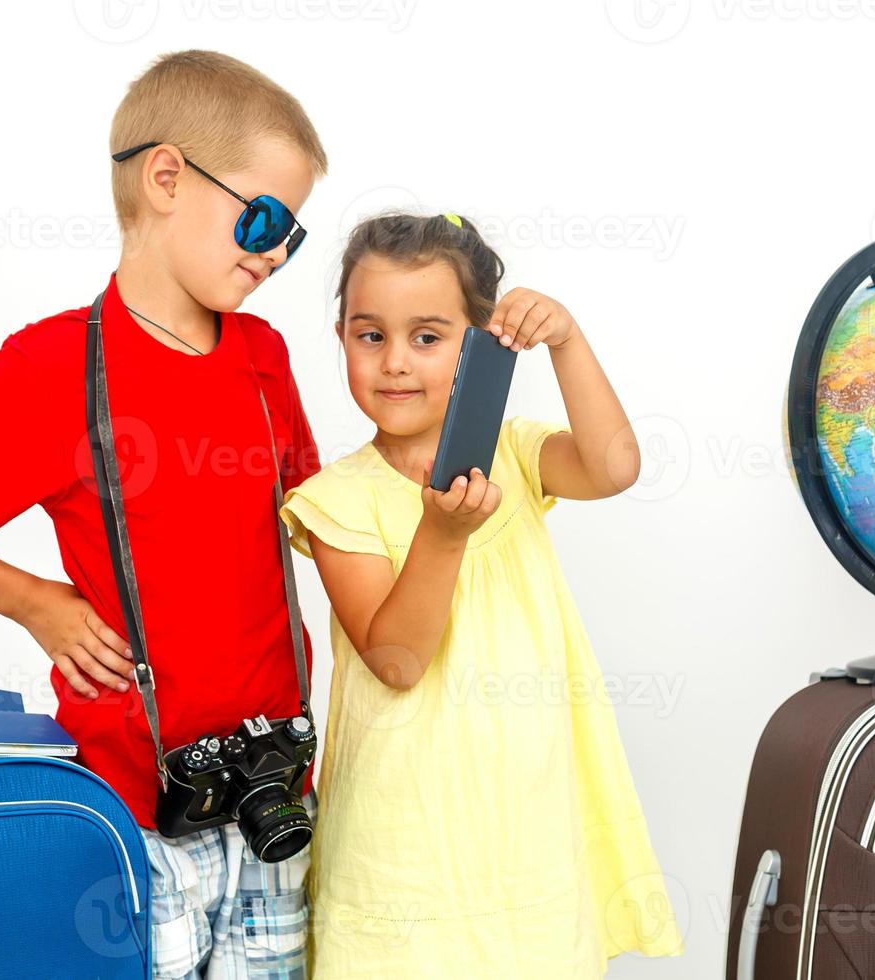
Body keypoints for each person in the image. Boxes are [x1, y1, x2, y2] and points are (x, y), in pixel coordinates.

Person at [0, 50, 327, 980]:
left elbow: (319, 526)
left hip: (274, 799)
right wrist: (30, 601)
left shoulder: (264, 356)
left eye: (292, 238)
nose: (273, 253)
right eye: (263, 219)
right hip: (137, 815)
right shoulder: (56, 370)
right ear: (168, 177)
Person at [279, 213, 685, 977]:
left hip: (526, 834)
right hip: (400, 851)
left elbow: (615, 466)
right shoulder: (335, 499)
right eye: (371, 336)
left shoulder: (518, 454)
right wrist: (442, 536)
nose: (395, 362)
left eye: (427, 337)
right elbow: (397, 659)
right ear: (341, 338)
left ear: (480, 343)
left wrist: (567, 341)